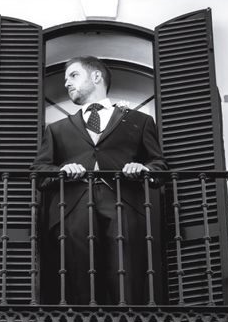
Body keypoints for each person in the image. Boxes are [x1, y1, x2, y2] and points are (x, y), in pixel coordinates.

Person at [31, 56, 167, 305]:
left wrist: (143, 169)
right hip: (72, 208)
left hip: (124, 204)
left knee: (124, 270)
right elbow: (40, 171)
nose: (66, 84)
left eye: (73, 75)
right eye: (65, 79)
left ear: (96, 77)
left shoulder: (140, 122)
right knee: (77, 272)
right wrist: (62, 170)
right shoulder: (57, 129)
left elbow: (158, 166)